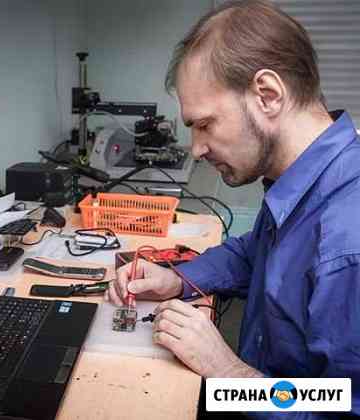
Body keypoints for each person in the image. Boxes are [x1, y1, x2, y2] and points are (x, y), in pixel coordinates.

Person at [105, 0, 359, 417]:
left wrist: (227, 373)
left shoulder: (348, 242)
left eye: (205, 125)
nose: (196, 149)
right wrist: (176, 280)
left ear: (268, 95)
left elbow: (341, 408)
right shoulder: (305, 179)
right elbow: (253, 254)